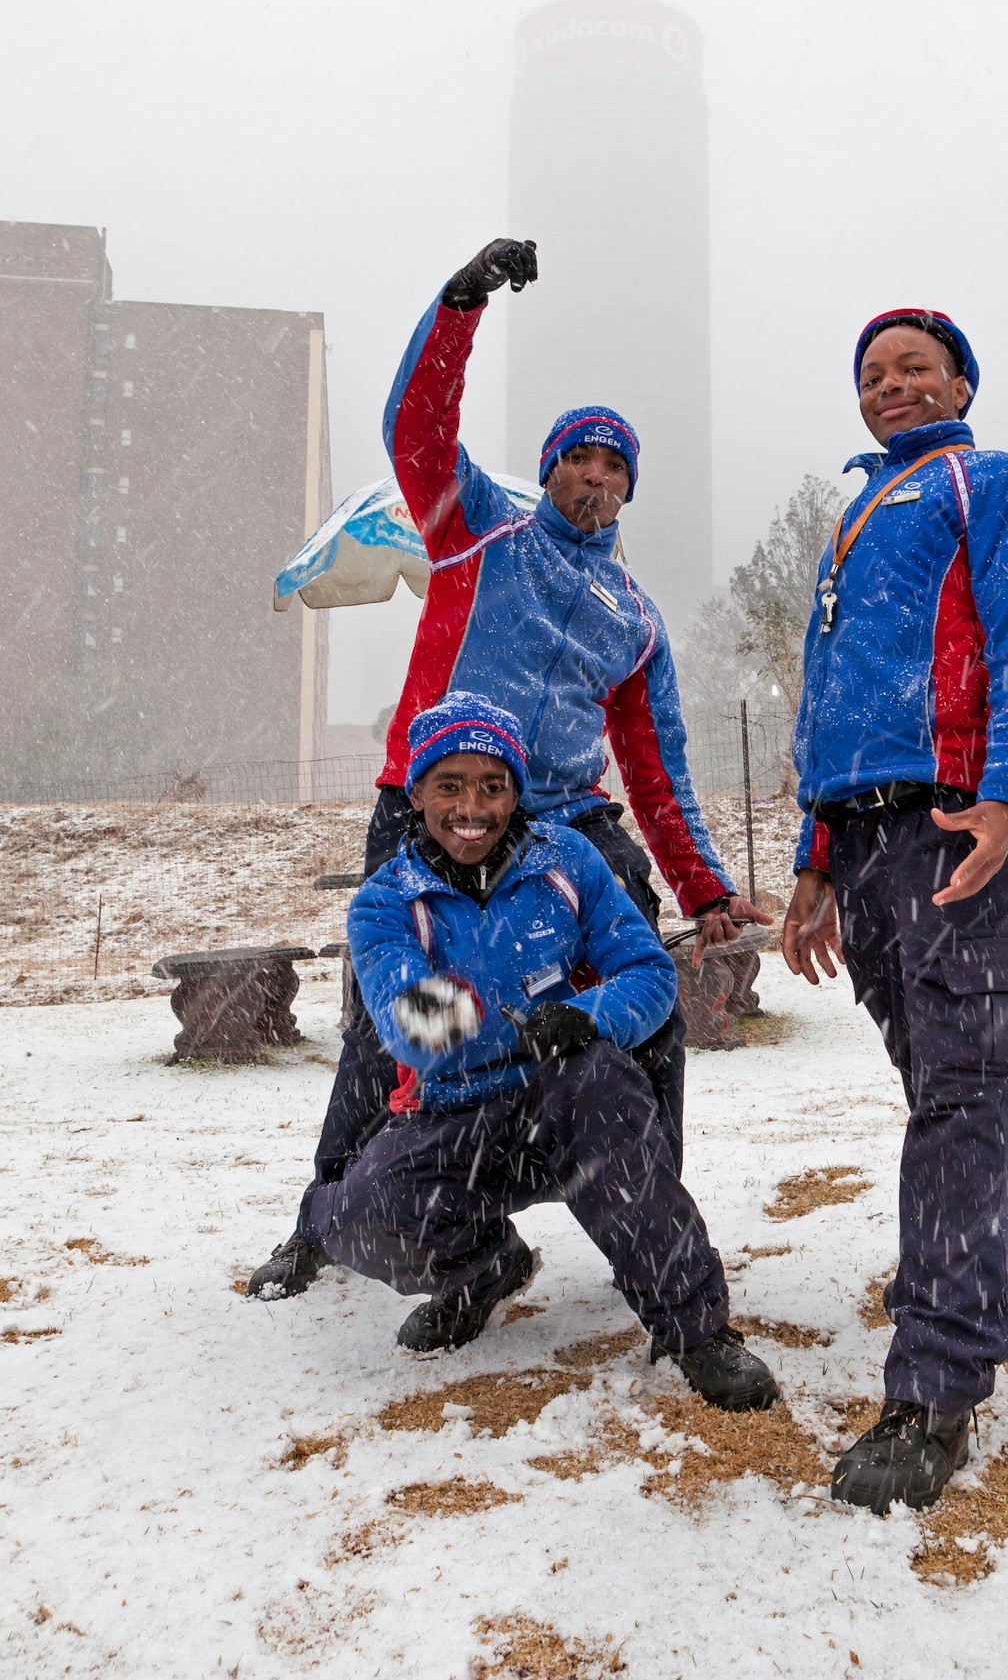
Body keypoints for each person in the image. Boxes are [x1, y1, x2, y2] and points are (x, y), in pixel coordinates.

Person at [249, 238, 764, 1301]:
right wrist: (461, 302)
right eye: (578, 455)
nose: (594, 474)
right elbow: (416, 427)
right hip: (428, 811)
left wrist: (705, 887)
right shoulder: (474, 525)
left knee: (645, 1003)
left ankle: (646, 1216)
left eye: (614, 463)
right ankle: (333, 1209)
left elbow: (656, 769)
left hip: (565, 826)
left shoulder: (635, 618)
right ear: (548, 470)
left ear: (629, 489)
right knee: (388, 1020)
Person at [301, 691, 779, 1406]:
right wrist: (509, 1016)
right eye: (450, 785)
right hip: (454, 1116)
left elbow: (647, 972)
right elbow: (408, 1022)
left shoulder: (570, 860)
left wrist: (585, 1018)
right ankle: (482, 1267)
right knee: (351, 1214)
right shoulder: (384, 901)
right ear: (417, 793)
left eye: (493, 786)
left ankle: (693, 1328)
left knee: (605, 1087)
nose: (473, 806)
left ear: (516, 792)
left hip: (568, 1098)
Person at [782, 305, 1008, 1515]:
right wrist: (813, 856)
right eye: (871, 373)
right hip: (862, 836)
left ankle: (936, 1384)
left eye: (912, 367)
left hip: (952, 816)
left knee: (957, 1087)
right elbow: (826, 704)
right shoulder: (853, 516)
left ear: (958, 381)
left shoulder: (985, 482)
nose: (889, 386)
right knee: (939, 1076)